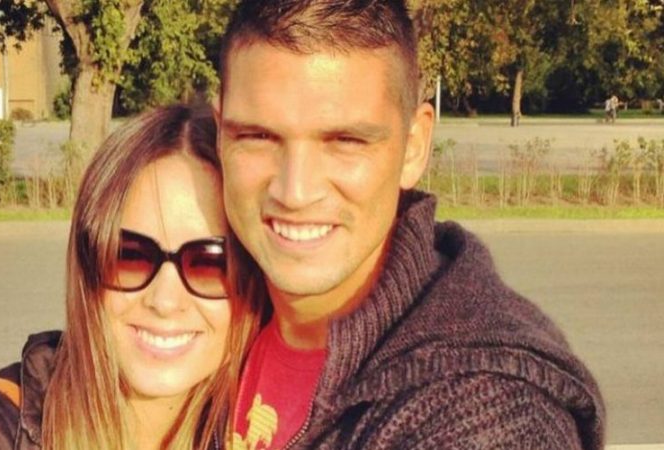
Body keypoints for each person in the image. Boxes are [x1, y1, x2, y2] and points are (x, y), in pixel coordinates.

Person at [215, 1, 605, 449]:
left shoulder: (490, 413)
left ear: (414, 146)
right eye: (258, 136)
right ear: (220, 132)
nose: (295, 192)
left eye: (346, 141)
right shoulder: (200, 313)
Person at [0, 104, 261, 450]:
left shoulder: (270, 428)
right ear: (87, 264)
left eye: (211, 263)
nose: (164, 301)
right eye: (129, 255)